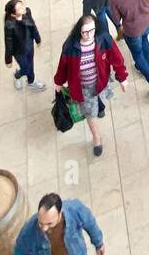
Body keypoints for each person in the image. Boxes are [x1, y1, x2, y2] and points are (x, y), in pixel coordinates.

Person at [53, 12, 128, 157]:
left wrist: (122, 77)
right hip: (83, 88)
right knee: (90, 114)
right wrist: (58, 81)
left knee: (101, 100)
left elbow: (117, 58)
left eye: (92, 30)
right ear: (79, 31)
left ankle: (99, 106)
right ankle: (96, 138)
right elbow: (63, 66)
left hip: (102, 82)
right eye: (85, 32)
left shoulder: (104, 39)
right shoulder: (70, 46)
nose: (89, 34)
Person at [3, 0, 45, 91]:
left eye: (22, 6)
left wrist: (38, 39)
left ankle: (30, 81)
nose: (23, 8)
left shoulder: (27, 12)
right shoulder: (9, 26)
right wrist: (8, 60)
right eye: (20, 8)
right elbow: (8, 43)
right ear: (13, 14)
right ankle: (18, 76)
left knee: (30, 65)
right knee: (26, 68)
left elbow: (33, 26)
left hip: (29, 46)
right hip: (19, 51)